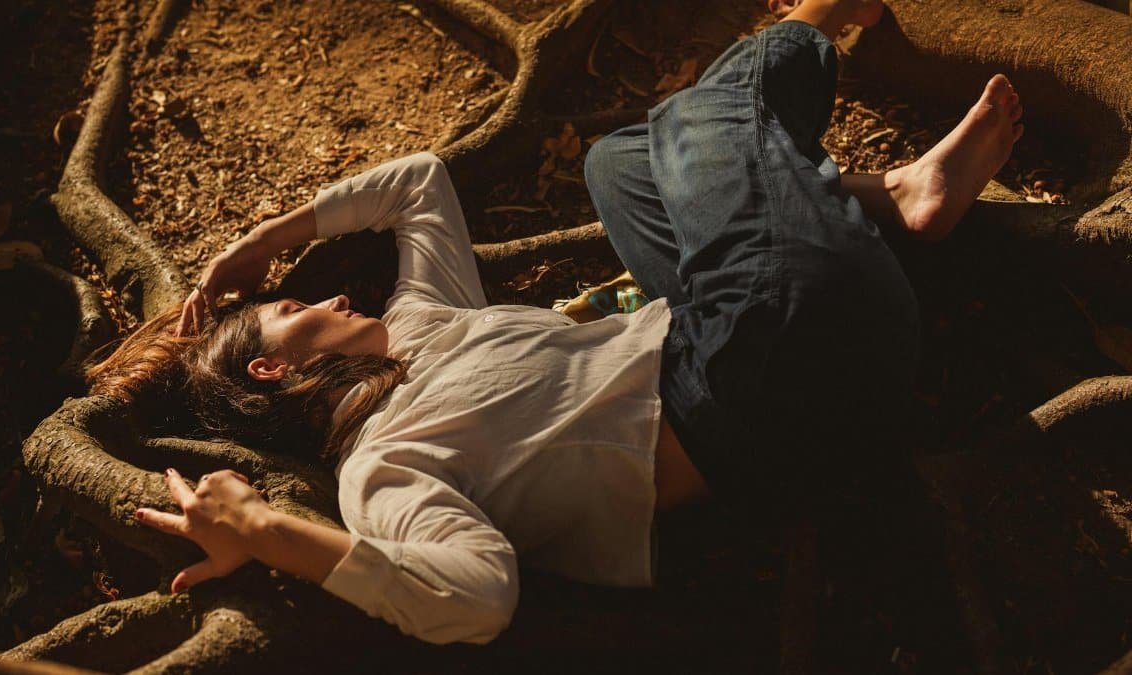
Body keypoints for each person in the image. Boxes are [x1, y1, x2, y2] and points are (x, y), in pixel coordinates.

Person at [104, 0, 1024, 646]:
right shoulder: (382, 470)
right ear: (270, 373)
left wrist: (270, 238)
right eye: (293, 311)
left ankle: (892, 198)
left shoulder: (421, 317)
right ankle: (824, 15)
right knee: (692, 119)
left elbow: (420, 181)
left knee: (619, 165)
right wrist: (263, 528)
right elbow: (474, 597)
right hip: (764, 384)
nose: (326, 297)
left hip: (734, 325)